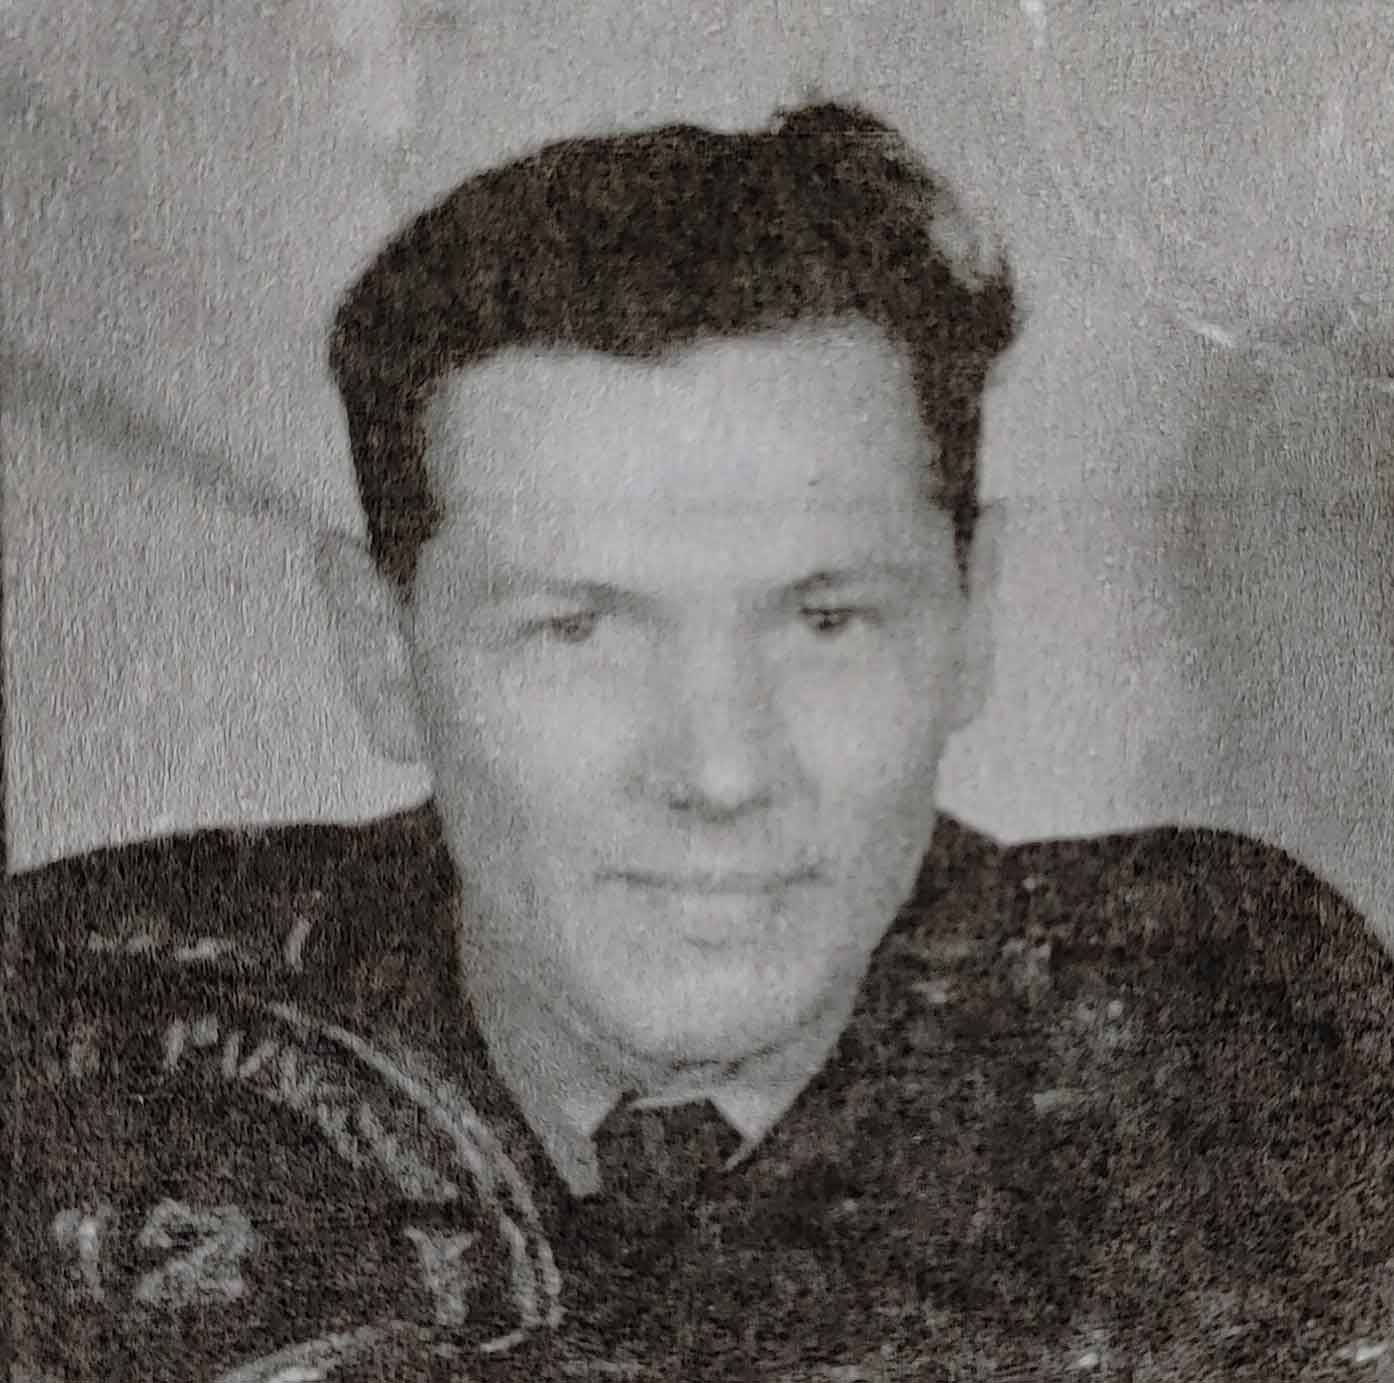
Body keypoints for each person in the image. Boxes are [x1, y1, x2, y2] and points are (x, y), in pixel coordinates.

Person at [10, 101, 1394, 1382]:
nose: (722, 773)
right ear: (383, 651)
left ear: (970, 618)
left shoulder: (1233, 1063)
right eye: (578, 631)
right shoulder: (74, 1053)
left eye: (827, 621)